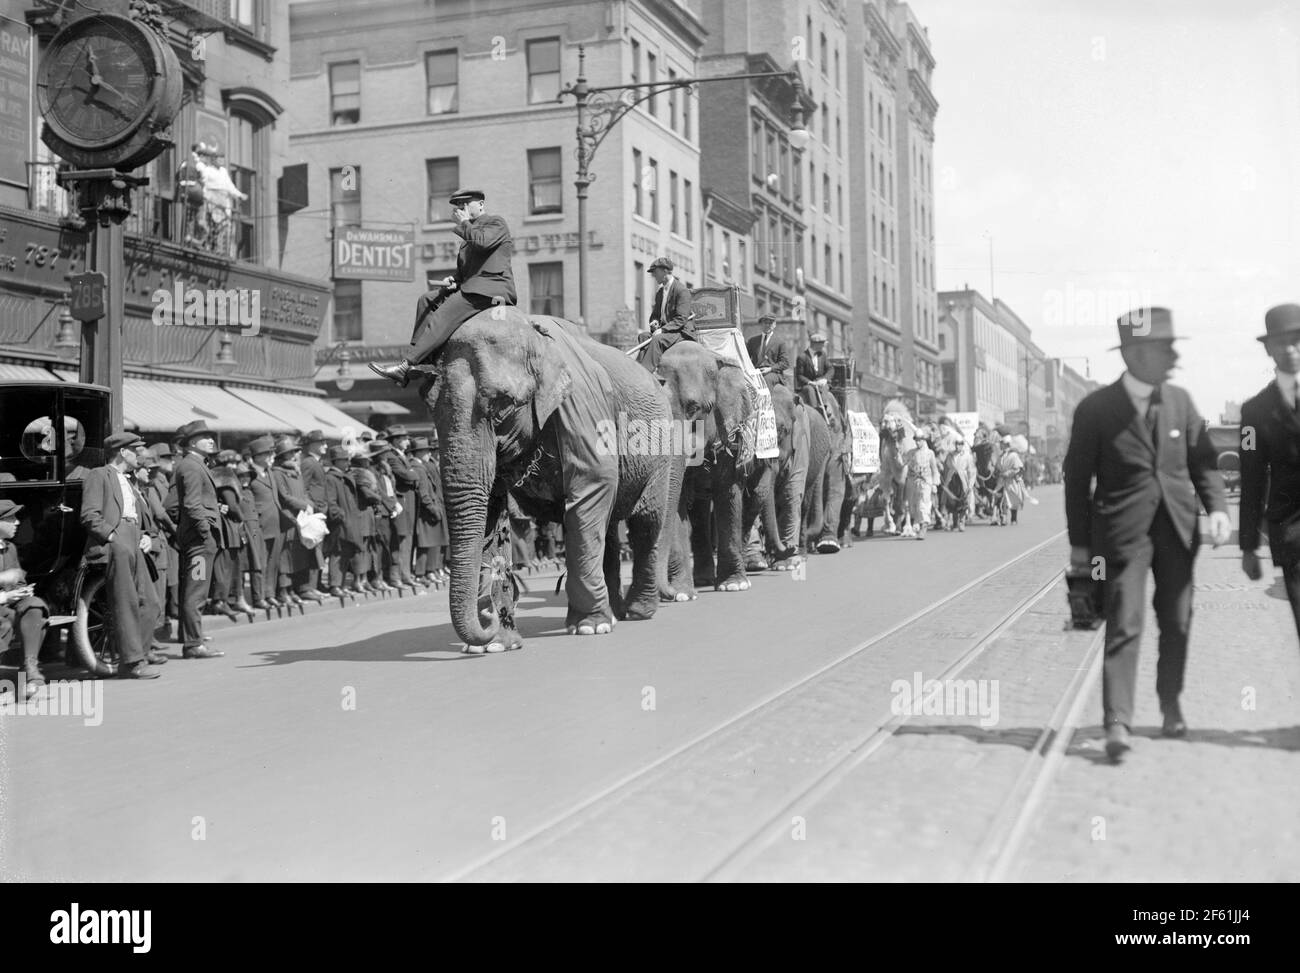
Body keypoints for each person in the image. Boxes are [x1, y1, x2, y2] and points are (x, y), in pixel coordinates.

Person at [1063, 307, 1230, 762]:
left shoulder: (1181, 401)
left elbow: (1204, 464)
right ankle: (1117, 720)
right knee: (1124, 623)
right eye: (1165, 348)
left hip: (1177, 529)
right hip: (1121, 535)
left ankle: (1170, 702)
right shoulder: (1095, 410)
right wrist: (1081, 549)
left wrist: (1217, 508)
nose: (1174, 357)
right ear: (1135, 354)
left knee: (1177, 621)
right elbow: (1077, 483)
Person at [370, 188, 517, 387]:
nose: (460, 209)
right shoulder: (468, 236)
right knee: (426, 300)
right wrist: (455, 280)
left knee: (442, 315)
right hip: (472, 286)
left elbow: (483, 243)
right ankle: (423, 362)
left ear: (481, 204)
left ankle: (406, 365)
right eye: (458, 206)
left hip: (491, 289)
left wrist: (464, 222)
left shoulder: (495, 223)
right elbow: (468, 270)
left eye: (465, 204)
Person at [79, 432, 165, 678]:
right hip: (115, 541)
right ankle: (131, 662)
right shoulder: (99, 475)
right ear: (122, 452)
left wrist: (146, 535)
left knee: (151, 603)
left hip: (135, 539)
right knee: (126, 602)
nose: (139, 454)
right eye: (135, 449)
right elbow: (90, 515)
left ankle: (140, 652)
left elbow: (139, 515)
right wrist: (114, 538)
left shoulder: (128, 480)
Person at [1240, 303, 1300, 642]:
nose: (1290, 350)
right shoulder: (1255, 412)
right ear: (1268, 349)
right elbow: (1252, 478)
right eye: (1281, 343)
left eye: (1297, 340)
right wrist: (1249, 546)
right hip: (1294, 537)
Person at [172, 420, 223, 660]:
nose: (211, 440)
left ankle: (193, 639)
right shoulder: (191, 466)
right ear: (193, 442)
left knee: (195, 590)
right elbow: (192, 504)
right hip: (200, 542)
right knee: (196, 592)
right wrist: (205, 532)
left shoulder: (193, 464)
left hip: (199, 540)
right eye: (205, 436)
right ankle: (193, 643)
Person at [0, 498, 51, 696]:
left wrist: (22, 591)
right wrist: (6, 595)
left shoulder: (10, 548)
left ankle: (31, 670)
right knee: (5, 623)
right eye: (11, 518)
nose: (18, 522)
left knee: (35, 605)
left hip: (9, 606)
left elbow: (19, 580)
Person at [271, 435, 320, 605]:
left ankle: (295, 589)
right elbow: (284, 497)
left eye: (295, 452)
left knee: (297, 556)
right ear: (281, 456)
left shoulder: (296, 472)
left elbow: (304, 492)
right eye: (290, 453)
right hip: (288, 519)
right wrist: (303, 505)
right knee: (285, 558)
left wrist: (309, 504)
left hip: (301, 518)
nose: (294, 455)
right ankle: (283, 591)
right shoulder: (277, 473)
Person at [637, 257, 696, 373]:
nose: (653, 275)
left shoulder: (681, 290)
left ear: (665, 271)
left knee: (657, 340)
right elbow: (655, 315)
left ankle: (645, 373)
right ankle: (638, 369)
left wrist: (663, 330)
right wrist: (655, 323)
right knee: (643, 336)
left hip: (681, 333)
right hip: (667, 332)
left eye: (655, 271)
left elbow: (681, 319)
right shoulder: (660, 292)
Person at [246, 436, 283, 610]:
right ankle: (258, 597)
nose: (271, 457)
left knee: (272, 562)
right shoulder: (250, 474)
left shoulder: (270, 473)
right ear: (258, 456)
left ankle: (270, 594)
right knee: (259, 563)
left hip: (274, 524)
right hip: (258, 524)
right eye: (267, 453)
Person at [323, 445, 366, 595]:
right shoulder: (331, 478)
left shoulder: (343, 476)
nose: (348, 463)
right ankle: (334, 585)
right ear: (336, 461)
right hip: (340, 523)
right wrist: (340, 516)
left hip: (349, 521)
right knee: (337, 553)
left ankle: (340, 584)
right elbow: (331, 502)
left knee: (346, 553)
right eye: (344, 460)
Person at [382, 425, 420, 589]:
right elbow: (406, 475)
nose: (407, 441)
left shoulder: (401, 456)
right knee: (400, 539)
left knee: (408, 538)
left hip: (407, 501)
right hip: (400, 500)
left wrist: (411, 472)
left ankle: (405, 574)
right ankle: (396, 576)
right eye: (404, 438)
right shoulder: (392, 456)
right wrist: (412, 472)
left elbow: (410, 473)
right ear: (396, 440)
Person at [409, 436, 446, 585]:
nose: (428, 454)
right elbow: (424, 494)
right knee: (426, 545)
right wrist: (434, 509)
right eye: (425, 451)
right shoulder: (419, 468)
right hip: (427, 513)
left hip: (430, 510)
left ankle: (428, 571)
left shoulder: (421, 466)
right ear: (418, 452)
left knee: (431, 543)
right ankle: (422, 573)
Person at [299, 430, 330, 597]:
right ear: (312, 445)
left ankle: (315, 584)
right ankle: (310, 586)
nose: (325, 445)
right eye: (321, 443)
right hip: (314, 511)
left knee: (318, 550)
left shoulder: (315, 462)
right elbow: (303, 487)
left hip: (320, 511)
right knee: (313, 550)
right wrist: (310, 506)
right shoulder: (309, 463)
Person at [906, 429, 940, 540]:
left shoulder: (930, 453)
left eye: (920, 440)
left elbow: (934, 469)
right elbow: (904, 464)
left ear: (923, 440)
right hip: (914, 482)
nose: (917, 442)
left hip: (926, 481)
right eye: (916, 440)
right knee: (913, 506)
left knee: (923, 504)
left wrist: (935, 483)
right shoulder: (911, 453)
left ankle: (924, 527)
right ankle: (919, 524)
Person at [746, 315, 792, 385]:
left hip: (772, 373)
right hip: (755, 371)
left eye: (770, 323)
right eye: (765, 323)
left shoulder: (780, 342)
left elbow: (785, 363)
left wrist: (770, 369)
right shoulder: (752, 341)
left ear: (774, 325)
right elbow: (746, 359)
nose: (767, 325)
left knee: (766, 380)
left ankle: (766, 396)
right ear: (761, 324)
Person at [997, 435, 1028, 525]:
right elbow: (998, 468)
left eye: (1001, 443)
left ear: (1006, 444)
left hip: (1012, 481)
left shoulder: (1013, 456)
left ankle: (1014, 518)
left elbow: (1019, 468)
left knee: (1013, 500)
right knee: (1003, 500)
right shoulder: (1000, 456)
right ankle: (1003, 517)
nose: (1000, 445)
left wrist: (1008, 473)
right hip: (1002, 481)